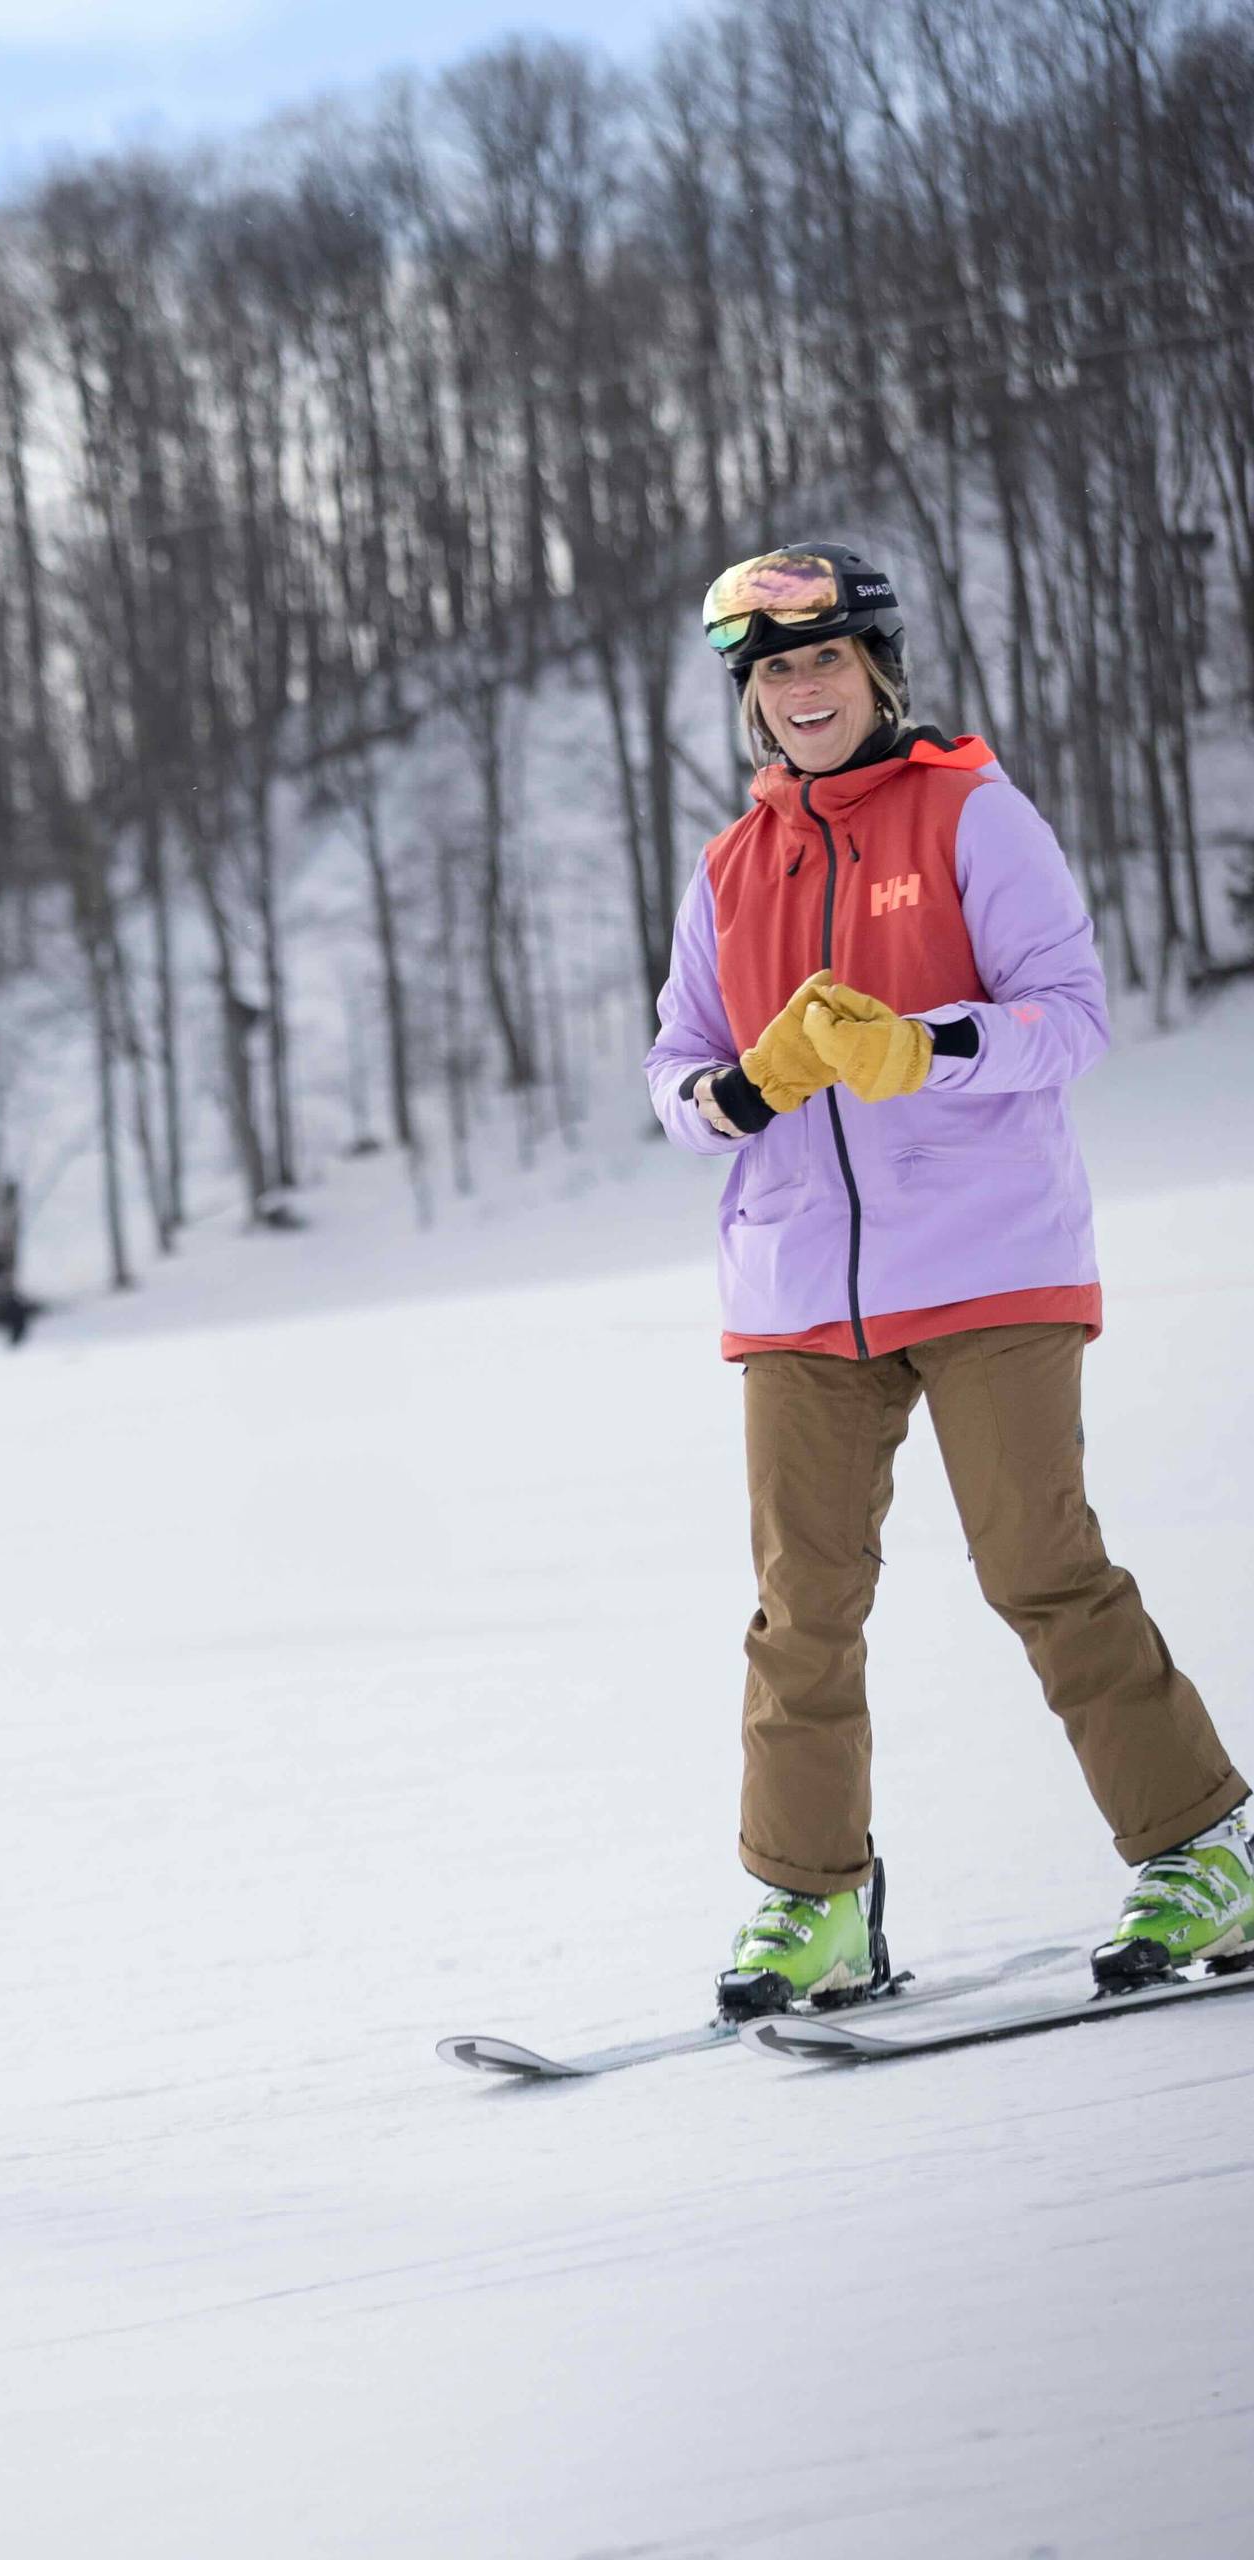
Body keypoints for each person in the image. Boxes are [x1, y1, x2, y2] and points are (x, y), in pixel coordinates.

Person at [645, 541, 1250, 2015]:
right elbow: (673, 1073)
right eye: (776, 670)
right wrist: (739, 1090)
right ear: (752, 697)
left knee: (1038, 1564)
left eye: (826, 661)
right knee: (803, 1608)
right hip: (799, 1288)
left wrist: (936, 1046)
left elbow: (1074, 1016)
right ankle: (812, 1903)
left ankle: (1205, 1854)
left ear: (877, 673)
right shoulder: (731, 869)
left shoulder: (973, 811)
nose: (803, 690)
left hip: (990, 1266)